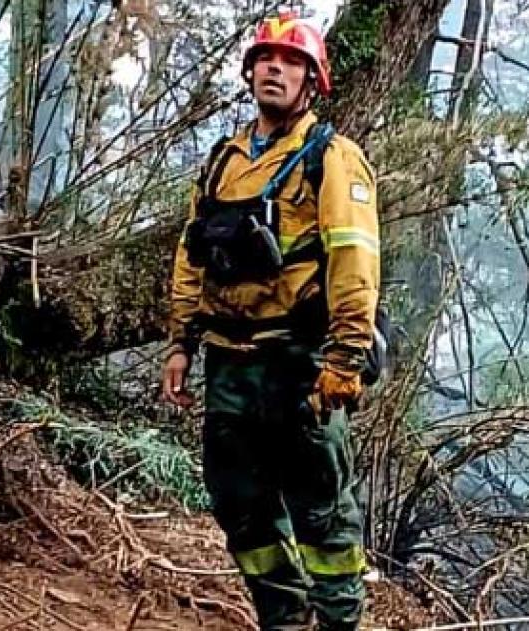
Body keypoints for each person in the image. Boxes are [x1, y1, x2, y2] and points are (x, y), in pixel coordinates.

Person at [160, 11, 380, 631]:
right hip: (228, 361)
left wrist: (344, 360)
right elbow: (191, 253)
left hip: (298, 363)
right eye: (265, 59)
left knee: (323, 519)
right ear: (250, 72)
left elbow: (354, 263)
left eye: (290, 62)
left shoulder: (332, 158)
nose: (274, 69)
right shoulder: (223, 161)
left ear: (313, 82)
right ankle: (284, 622)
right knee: (242, 509)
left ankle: (339, 624)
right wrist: (181, 342)